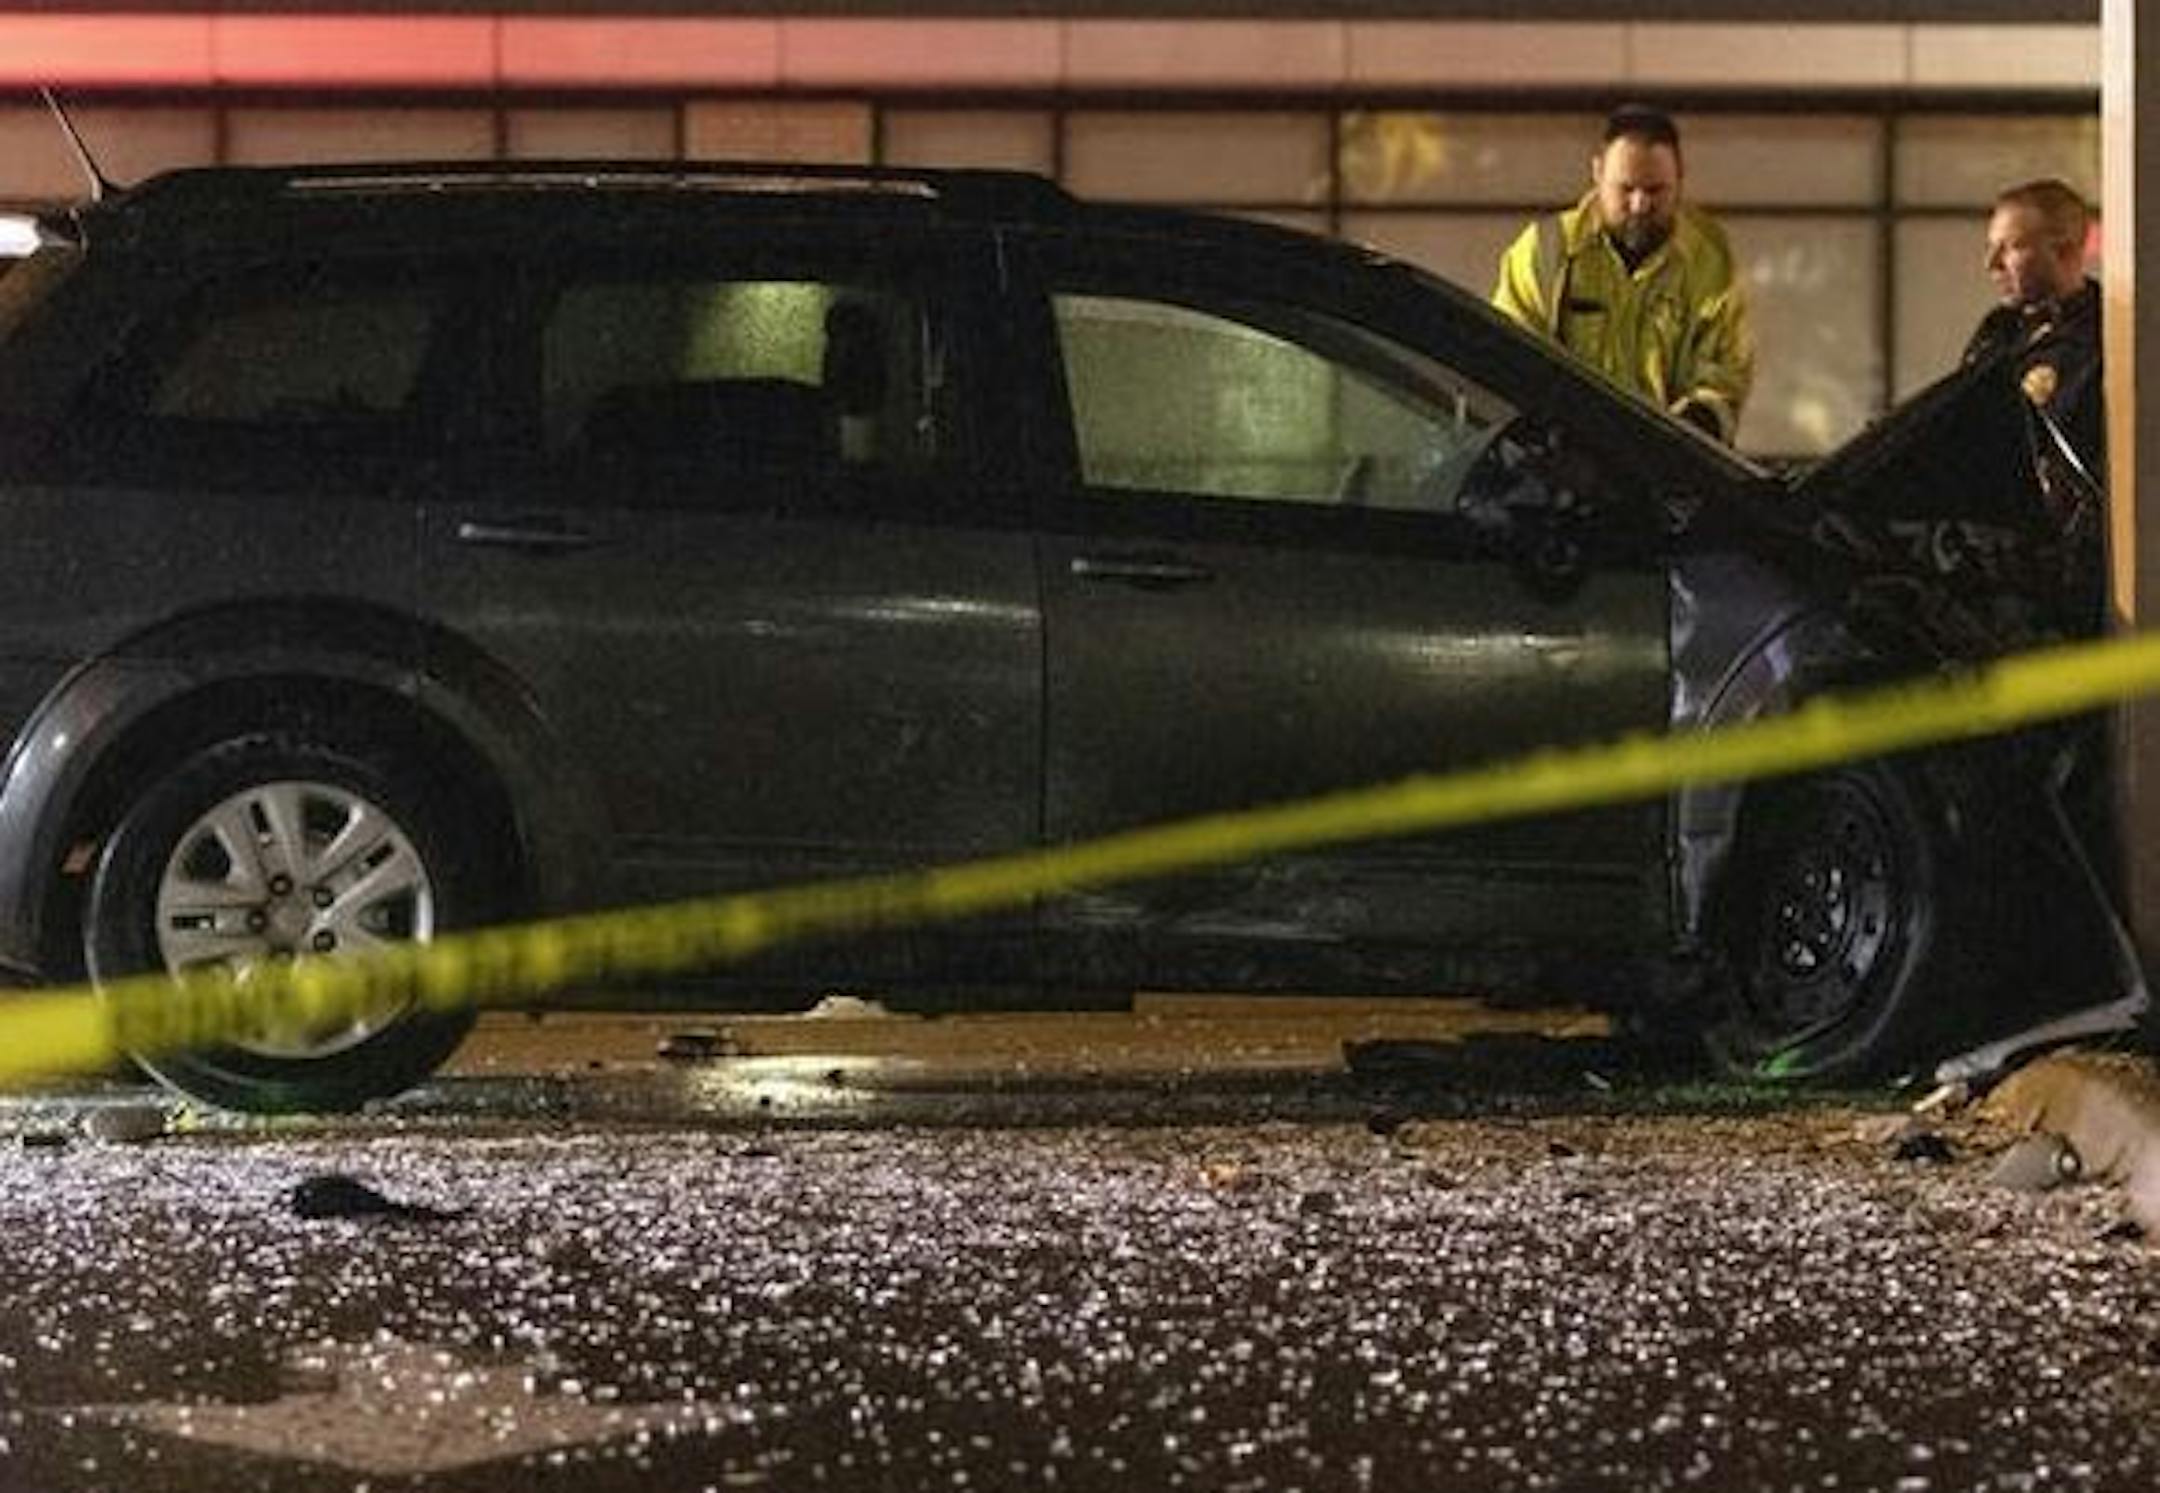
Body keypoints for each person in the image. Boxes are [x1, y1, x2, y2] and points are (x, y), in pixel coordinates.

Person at [1491, 104, 1754, 444]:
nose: (1640, 205)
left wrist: (1688, 431)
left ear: (1681, 179)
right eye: (1626, 188)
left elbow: (1724, 374)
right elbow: (1508, 358)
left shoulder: (1710, 259)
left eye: (1656, 190)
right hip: (1559, 466)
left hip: (1668, 469)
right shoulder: (1544, 250)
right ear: (1597, 173)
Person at [1963, 177, 2104, 490]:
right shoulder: (1997, 332)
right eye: (1991, 247)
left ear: (2065, 250)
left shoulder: (2103, 339)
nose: (1992, 264)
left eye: (2011, 247)